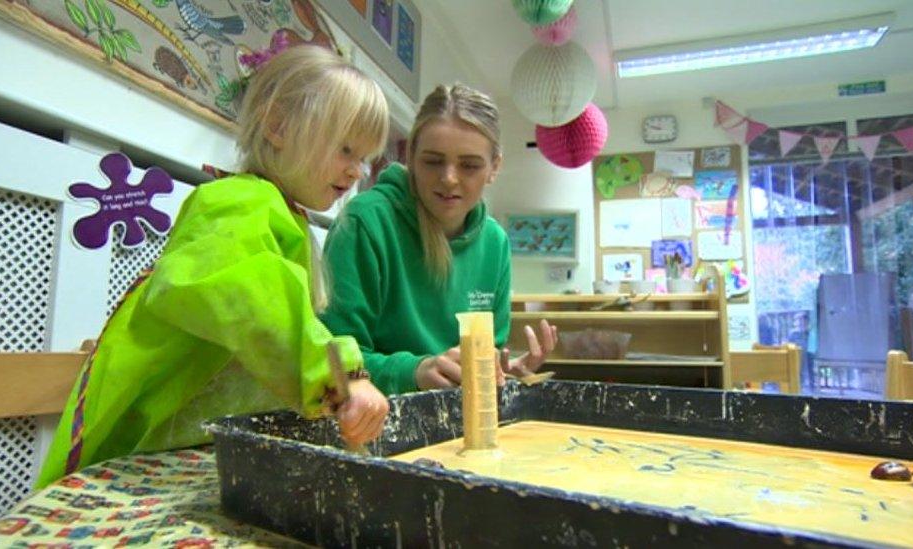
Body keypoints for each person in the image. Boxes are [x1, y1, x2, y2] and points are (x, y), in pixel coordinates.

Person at [37, 46, 390, 487]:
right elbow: (253, 294)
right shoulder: (237, 200)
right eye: (345, 149)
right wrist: (340, 376)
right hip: (140, 453)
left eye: (364, 159)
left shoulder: (285, 215)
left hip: (189, 452)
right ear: (278, 126)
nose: (357, 171)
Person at [320, 84, 557, 395]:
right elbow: (331, 359)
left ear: (494, 167)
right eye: (432, 161)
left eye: (470, 165)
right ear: (411, 157)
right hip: (376, 421)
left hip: (458, 422)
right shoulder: (364, 223)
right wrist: (414, 372)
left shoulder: (495, 242)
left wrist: (498, 371)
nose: (448, 178)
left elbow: (485, 353)